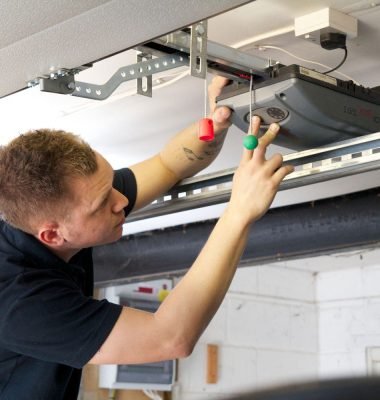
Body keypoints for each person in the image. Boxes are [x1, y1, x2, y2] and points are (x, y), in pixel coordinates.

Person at [0, 76, 293, 400]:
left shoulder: (48, 208)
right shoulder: (19, 302)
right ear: (52, 234)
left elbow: (168, 165)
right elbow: (171, 338)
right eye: (102, 204)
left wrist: (214, 124)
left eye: (110, 182)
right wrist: (240, 211)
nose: (121, 201)